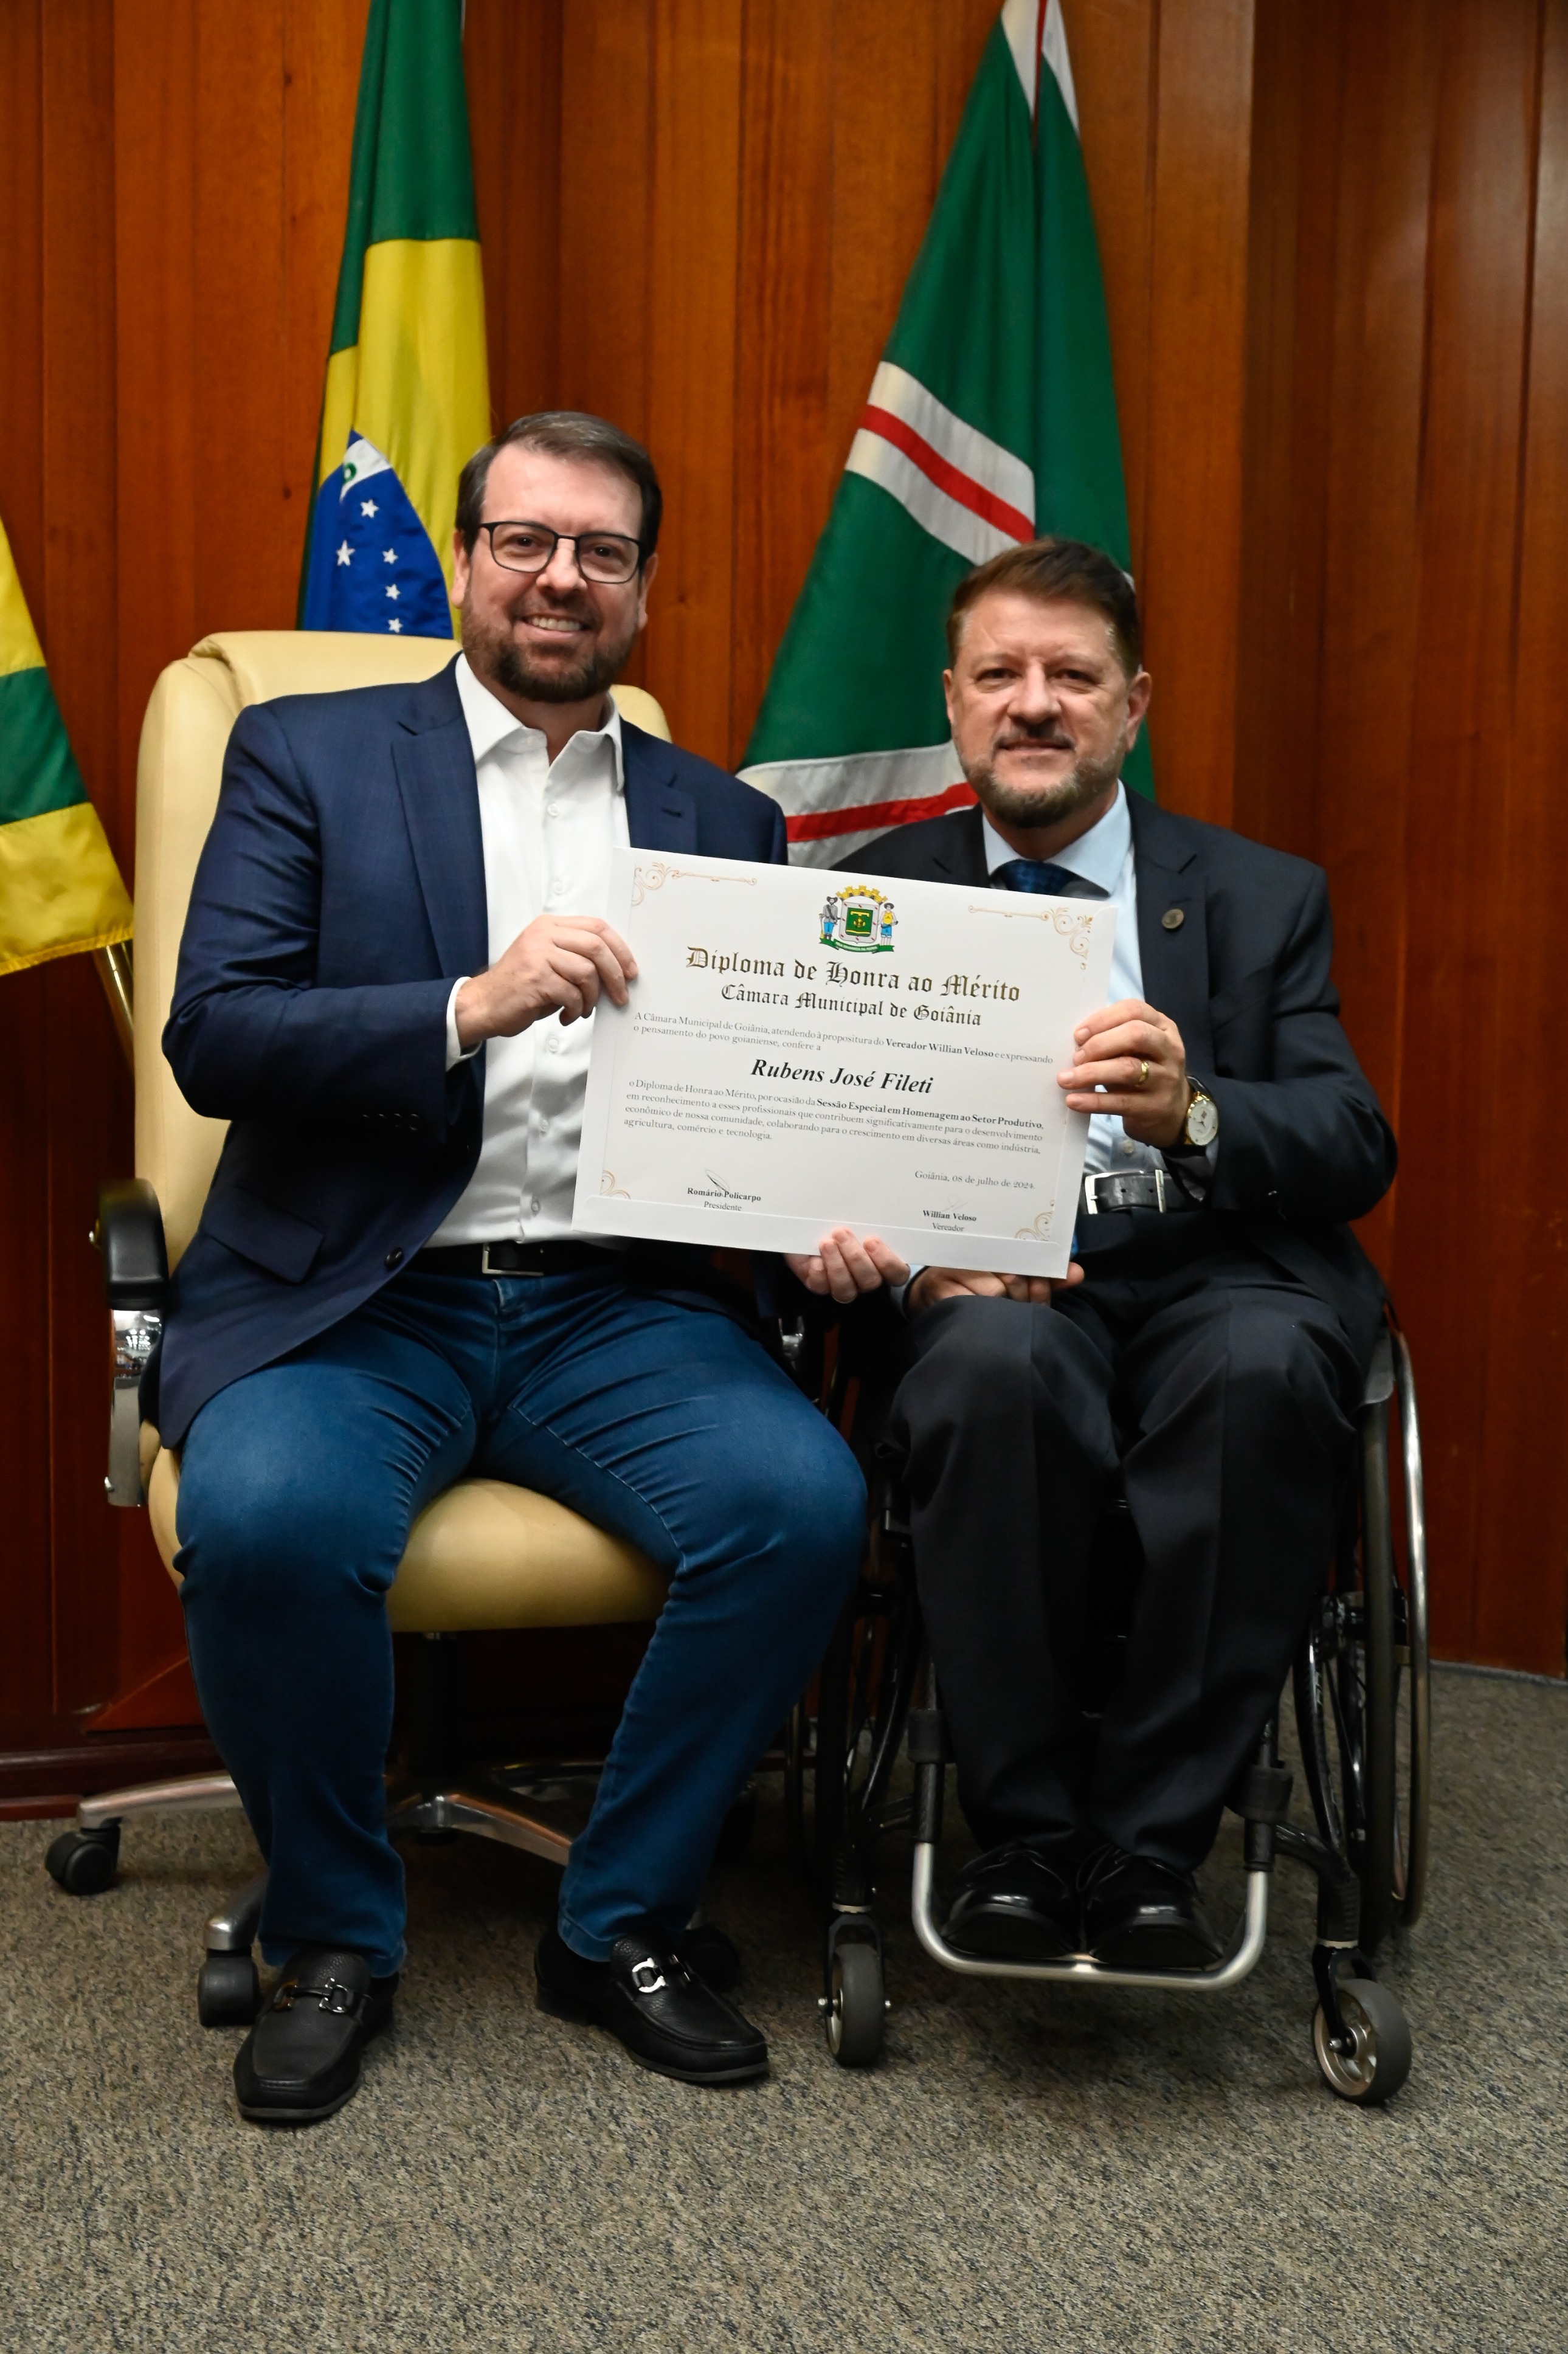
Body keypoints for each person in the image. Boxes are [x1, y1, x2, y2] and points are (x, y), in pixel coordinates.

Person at [159, 410, 904, 2124]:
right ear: (464, 560)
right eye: (526, 541)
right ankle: (335, 1938)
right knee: (267, 1520)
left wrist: (817, 1212)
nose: (561, 578)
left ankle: (618, 1919)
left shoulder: (725, 818)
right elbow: (218, 1034)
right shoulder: (306, 756)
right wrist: (467, 1005)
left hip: (614, 1303)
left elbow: (757, 1096)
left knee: (801, 1506)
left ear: (643, 587)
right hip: (361, 1294)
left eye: (602, 552)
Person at [844, 537, 1396, 1969]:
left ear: (1132, 705)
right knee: (989, 1365)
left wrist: (1194, 1108)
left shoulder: (1261, 894)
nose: (1034, 703)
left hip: (1221, 1270)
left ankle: (1154, 1850)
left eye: (1072, 677)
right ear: (954, 702)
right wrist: (905, 1263)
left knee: (1262, 1372)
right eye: (1000, 675)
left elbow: (1352, 1139)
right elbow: (815, 1150)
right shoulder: (868, 895)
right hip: (1001, 1284)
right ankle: (1025, 1840)